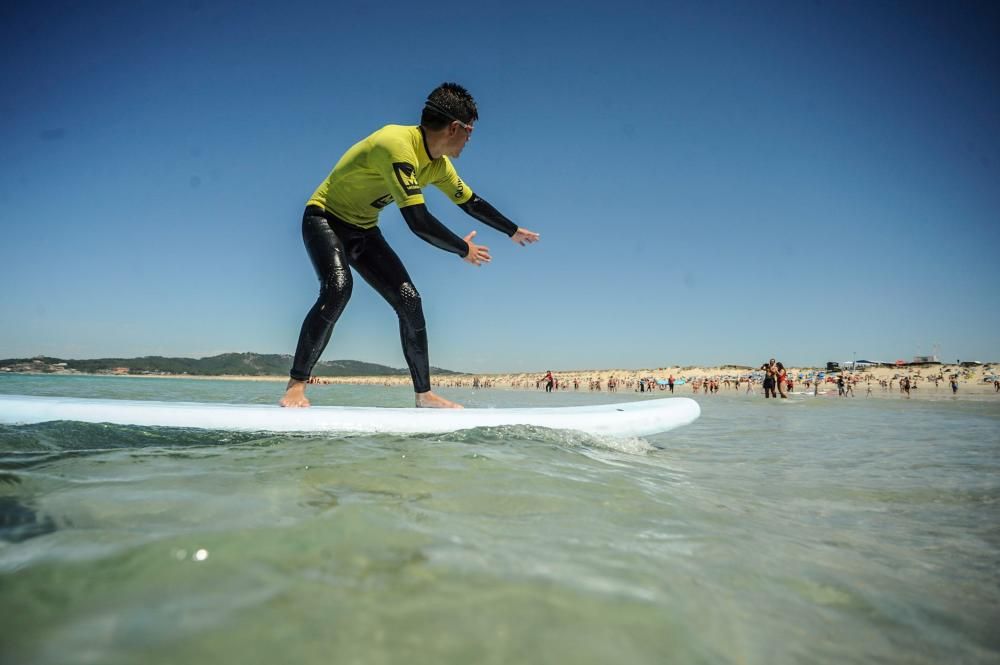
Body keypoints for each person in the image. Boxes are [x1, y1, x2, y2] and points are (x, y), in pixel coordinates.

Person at [281, 83, 540, 408]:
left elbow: (471, 203)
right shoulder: (396, 145)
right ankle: (296, 385)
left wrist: (512, 230)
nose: (470, 139)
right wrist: (463, 249)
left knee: (409, 301)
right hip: (324, 219)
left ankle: (424, 394)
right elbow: (418, 221)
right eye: (470, 131)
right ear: (455, 128)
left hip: (363, 229)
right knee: (338, 288)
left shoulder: (438, 166)